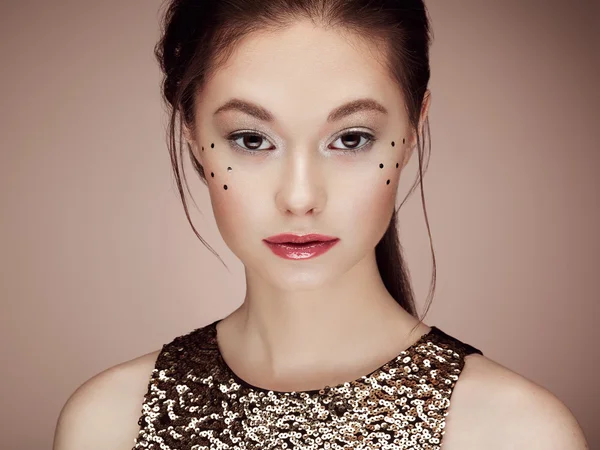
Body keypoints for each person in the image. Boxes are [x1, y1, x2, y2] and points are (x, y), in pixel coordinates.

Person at [53, 1, 589, 449]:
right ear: (192, 132)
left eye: (351, 139)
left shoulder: (513, 432)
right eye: (251, 139)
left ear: (413, 128)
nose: (301, 198)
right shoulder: (108, 423)